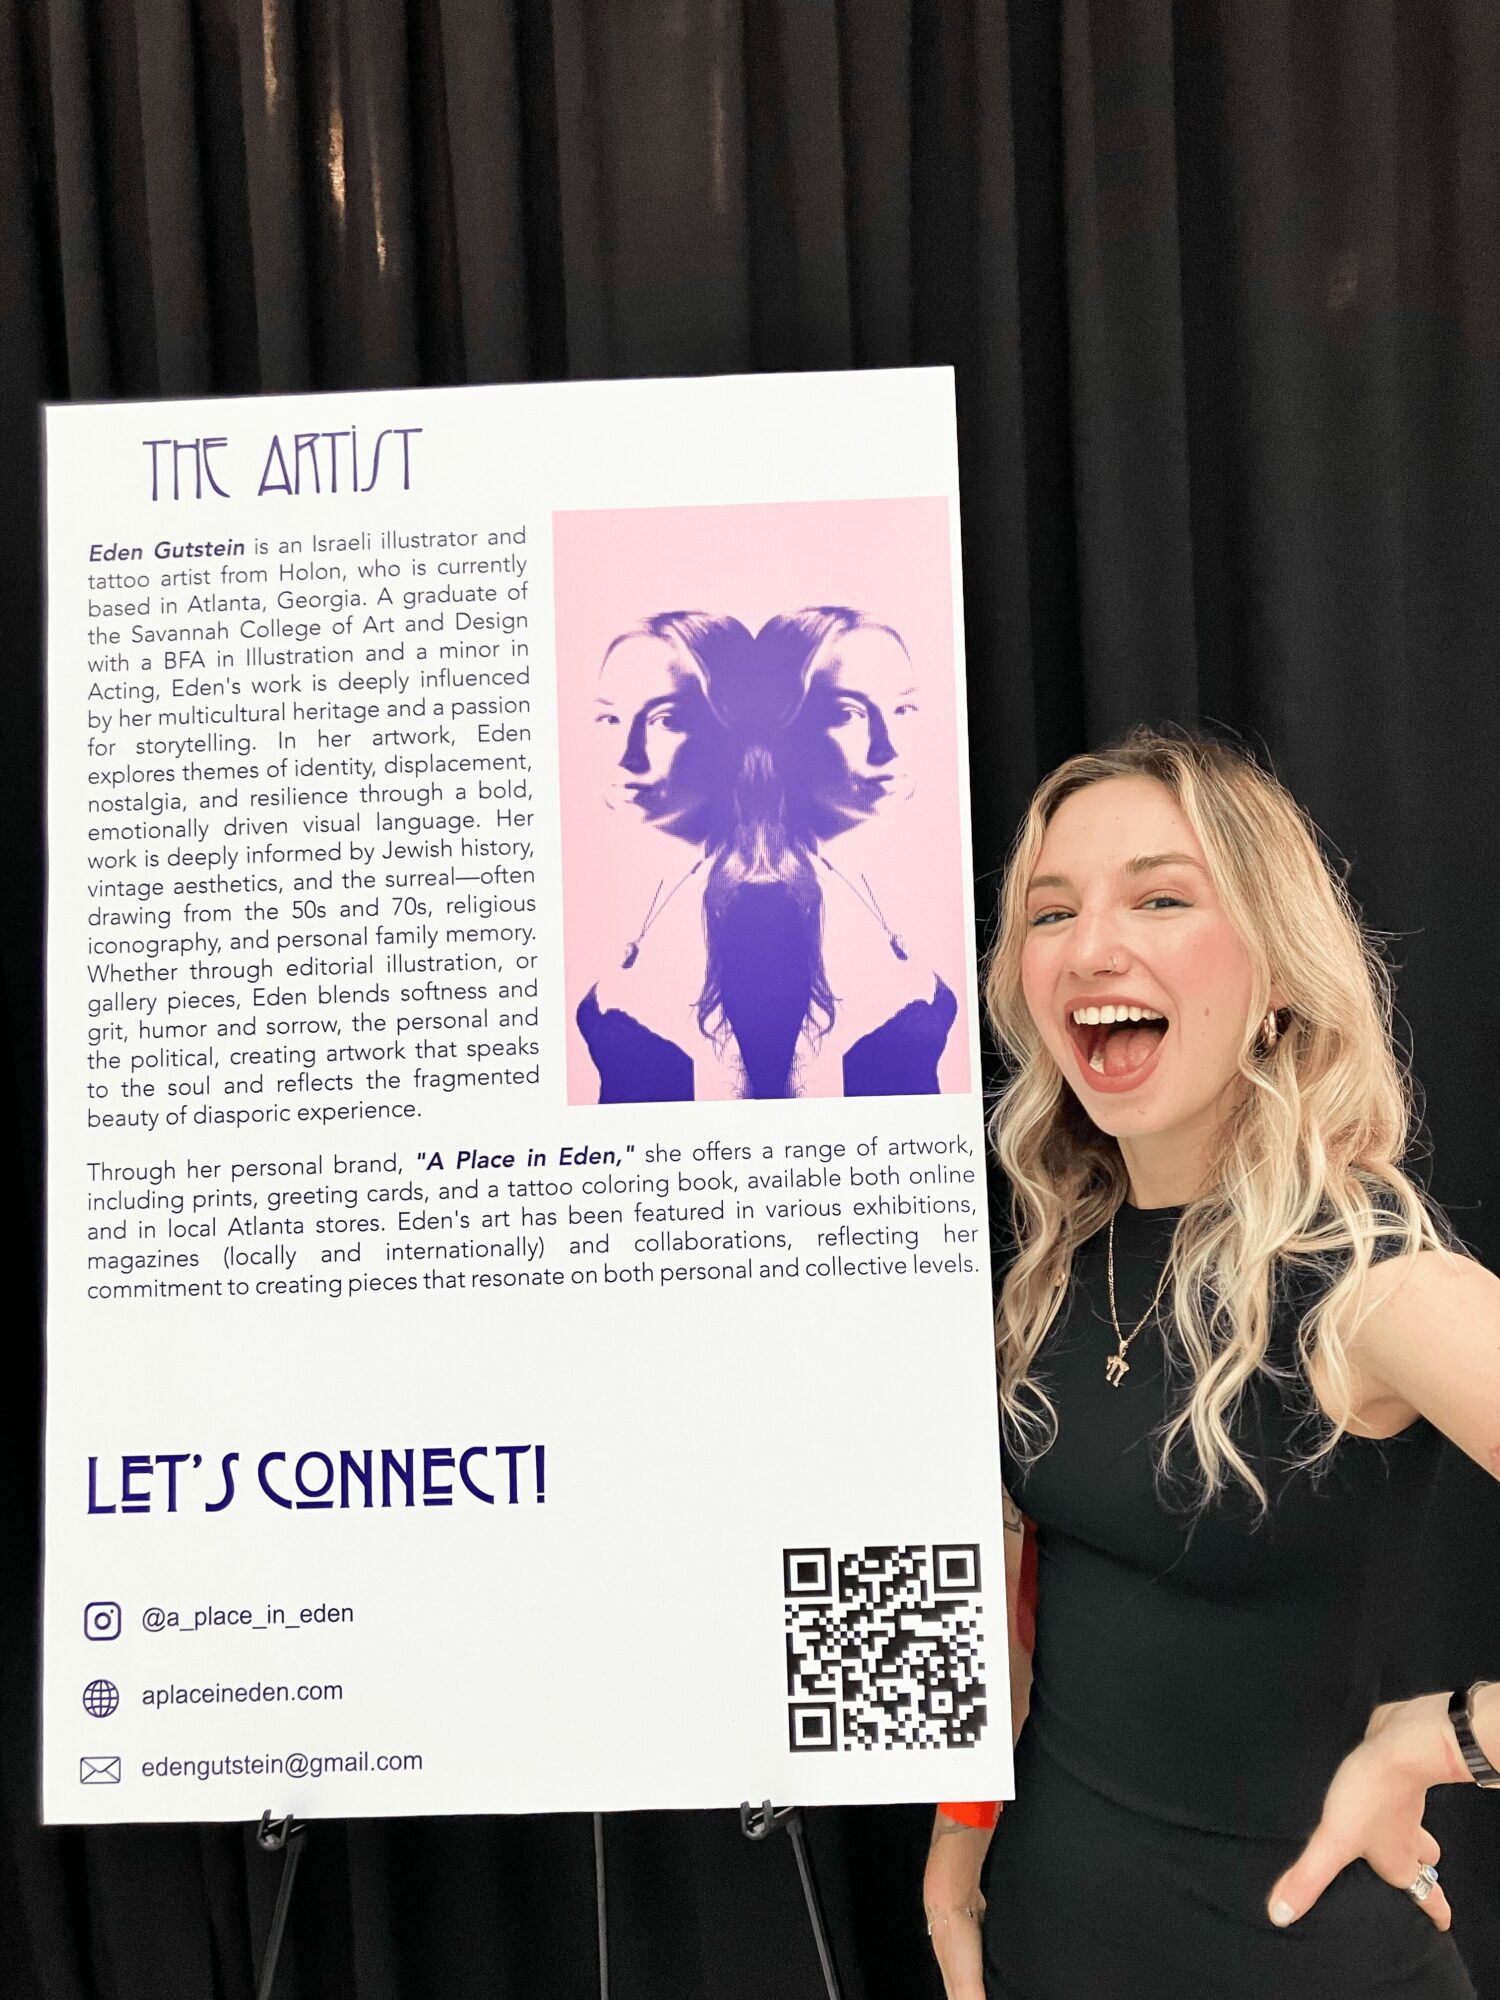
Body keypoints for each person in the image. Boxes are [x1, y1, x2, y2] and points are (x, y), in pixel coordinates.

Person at [923, 729, 1499, 2000]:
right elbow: (1024, 1608)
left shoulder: (1371, 1283)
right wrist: (956, 1856)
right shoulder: (1059, 1261)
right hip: (1036, 1954)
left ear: (1278, 971)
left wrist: (1446, 1737)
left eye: (1162, 898)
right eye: (1051, 911)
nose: (1091, 946)